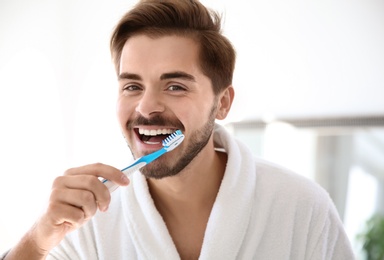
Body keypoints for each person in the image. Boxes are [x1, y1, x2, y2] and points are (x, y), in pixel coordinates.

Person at [3, 0, 355, 259]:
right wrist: (39, 239)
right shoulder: (89, 219)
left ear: (222, 104)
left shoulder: (303, 209)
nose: (145, 107)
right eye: (132, 86)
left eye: (175, 86)